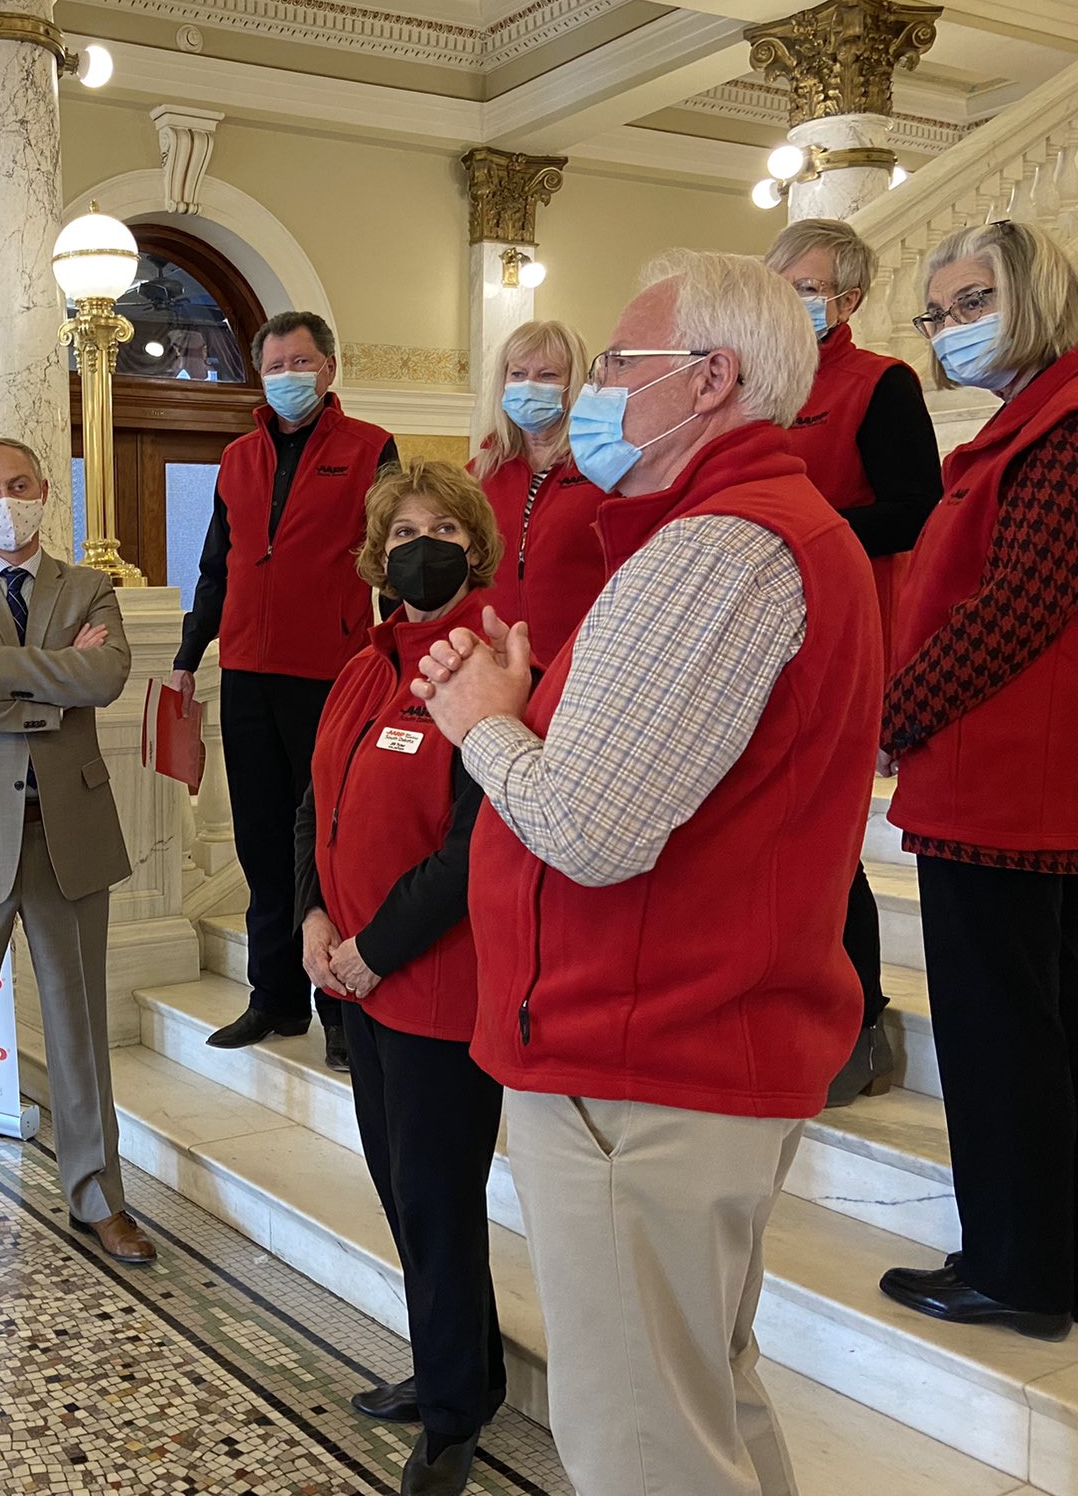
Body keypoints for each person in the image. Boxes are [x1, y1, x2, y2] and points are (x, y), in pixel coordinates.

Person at [413, 251, 880, 1496]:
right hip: (678, 1045)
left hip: (642, 1060)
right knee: (702, 1409)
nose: (592, 390)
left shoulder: (718, 548)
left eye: (618, 364)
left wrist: (480, 719)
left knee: (641, 1451)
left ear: (707, 379)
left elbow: (588, 827)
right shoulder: (737, 534)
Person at [877, 219, 1078, 1343]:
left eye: (969, 303)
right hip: (1004, 779)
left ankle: (1016, 1269)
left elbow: (1012, 608)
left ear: (1034, 295)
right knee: (1030, 1030)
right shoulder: (1028, 423)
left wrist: (893, 712)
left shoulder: (1059, 427)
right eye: (938, 313)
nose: (951, 329)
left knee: (999, 1036)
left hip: (1003, 787)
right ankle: (1033, 1248)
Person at [294, 462, 506, 1496]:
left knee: (434, 1196)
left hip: (432, 989)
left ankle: (455, 1413)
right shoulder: (362, 666)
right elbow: (312, 808)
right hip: (352, 977)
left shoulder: (487, 669)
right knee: (402, 1190)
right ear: (378, 559)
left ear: (474, 547)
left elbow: (471, 852)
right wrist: (310, 917)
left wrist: (373, 949)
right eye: (402, 531)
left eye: (443, 528)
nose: (421, 545)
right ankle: (451, 1368)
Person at [0, 437, 154, 1282]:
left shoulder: (89, 586)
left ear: (46, 491)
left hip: (67, 835)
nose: (4, 500)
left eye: (18, 485)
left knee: (80, 1028)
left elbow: (107, 678)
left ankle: (97, 1197)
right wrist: (50, 695)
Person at [166, 310, 398, 1072]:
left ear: (330, 368)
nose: (288, 376)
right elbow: (216, 564)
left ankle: (339, 1004)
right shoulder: (236, 457)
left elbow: (395, 561)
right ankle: (275, 998)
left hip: (331, 674)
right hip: (246, 673)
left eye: (301, 362)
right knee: (262, 842)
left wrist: (400, 657)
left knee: (328, 843)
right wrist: (187, 653)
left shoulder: (370, 449)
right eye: (274, 365)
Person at [766, 217, 944, 1106]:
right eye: (781, 281)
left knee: (831, 838)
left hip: (846, 632)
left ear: (850, 299)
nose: (793, 299)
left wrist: (814, 534)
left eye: (808, 286)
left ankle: (861, 1021)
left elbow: (918, 508)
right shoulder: (759, 383)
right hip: (762, 634)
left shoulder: (882, 384)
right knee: (776, 831)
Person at [469, 319, 607, 666]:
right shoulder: (477, 474)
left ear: (572, 386)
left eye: (547, 375)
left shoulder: (607, 472)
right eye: (518, 374)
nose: (529, 385)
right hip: (492, 660)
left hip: (579, 663)